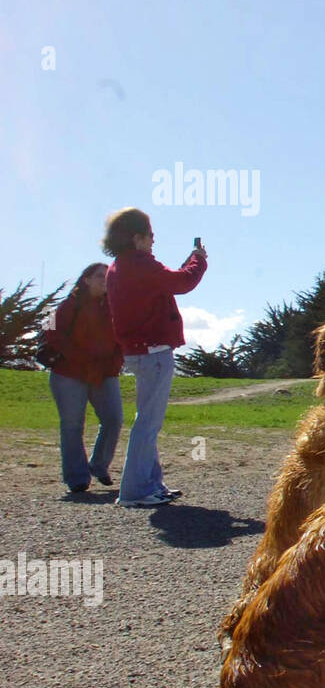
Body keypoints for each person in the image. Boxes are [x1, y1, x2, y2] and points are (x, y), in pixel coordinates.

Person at [102, 207, 208, 508]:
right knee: (147, 424)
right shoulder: (140, 264)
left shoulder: (120, 266)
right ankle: (135, 491)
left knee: (146, 421)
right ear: (136, 238)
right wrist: (198, 259)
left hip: (139, 351)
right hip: (154, 352)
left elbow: (166, 281)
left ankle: (150, 484)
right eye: (150, 235)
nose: (153, 240)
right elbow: (182, 283)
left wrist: (191, 261)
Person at [45, 263, 124, 493]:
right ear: (86, 279)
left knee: (114, 419)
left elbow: (122, 337)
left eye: (108, 276)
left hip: (105, 373)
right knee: (72, 425)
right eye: (100, 276)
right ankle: (77, 478)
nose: (105, 279)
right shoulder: (66, 305)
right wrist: (80, 360)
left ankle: (98, 465)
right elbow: (51, 334)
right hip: (68, 373)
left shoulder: (114, 306)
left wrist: (115, 362)